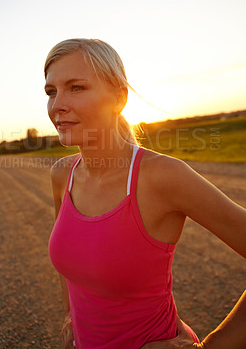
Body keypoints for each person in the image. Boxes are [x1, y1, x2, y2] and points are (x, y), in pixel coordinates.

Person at [44, 38, 246, 349]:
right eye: (51, 91)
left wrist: (214, 345)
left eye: (76, 87)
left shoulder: (162, 176)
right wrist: (71, 314)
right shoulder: (62, 174)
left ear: (119, 97)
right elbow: (71, 262)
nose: (57, 105)